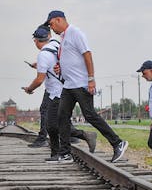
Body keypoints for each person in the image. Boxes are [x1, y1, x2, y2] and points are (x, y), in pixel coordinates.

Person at [43, 10, 127, 163]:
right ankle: (65, 153)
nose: (51, 28)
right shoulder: (63, 37)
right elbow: (71, 59)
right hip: (68, 85)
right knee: (62, 117)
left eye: (51, 24)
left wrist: (91, 79)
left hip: (81, 83)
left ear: (59, 20)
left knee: (89, 115)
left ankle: (117, 142)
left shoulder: (75, 33)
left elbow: (87, 55)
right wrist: (60, 67)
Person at [22, 25, 97, 160]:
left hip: (56, 92)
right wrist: (39, 65)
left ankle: (81, 137)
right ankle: (57, 152)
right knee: (53, 123)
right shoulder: (57, 45)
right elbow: (57, 62)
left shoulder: (43, 54)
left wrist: (29, 89)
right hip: (63, 88)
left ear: (36, 41)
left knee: (54, 124)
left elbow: (39, 80)